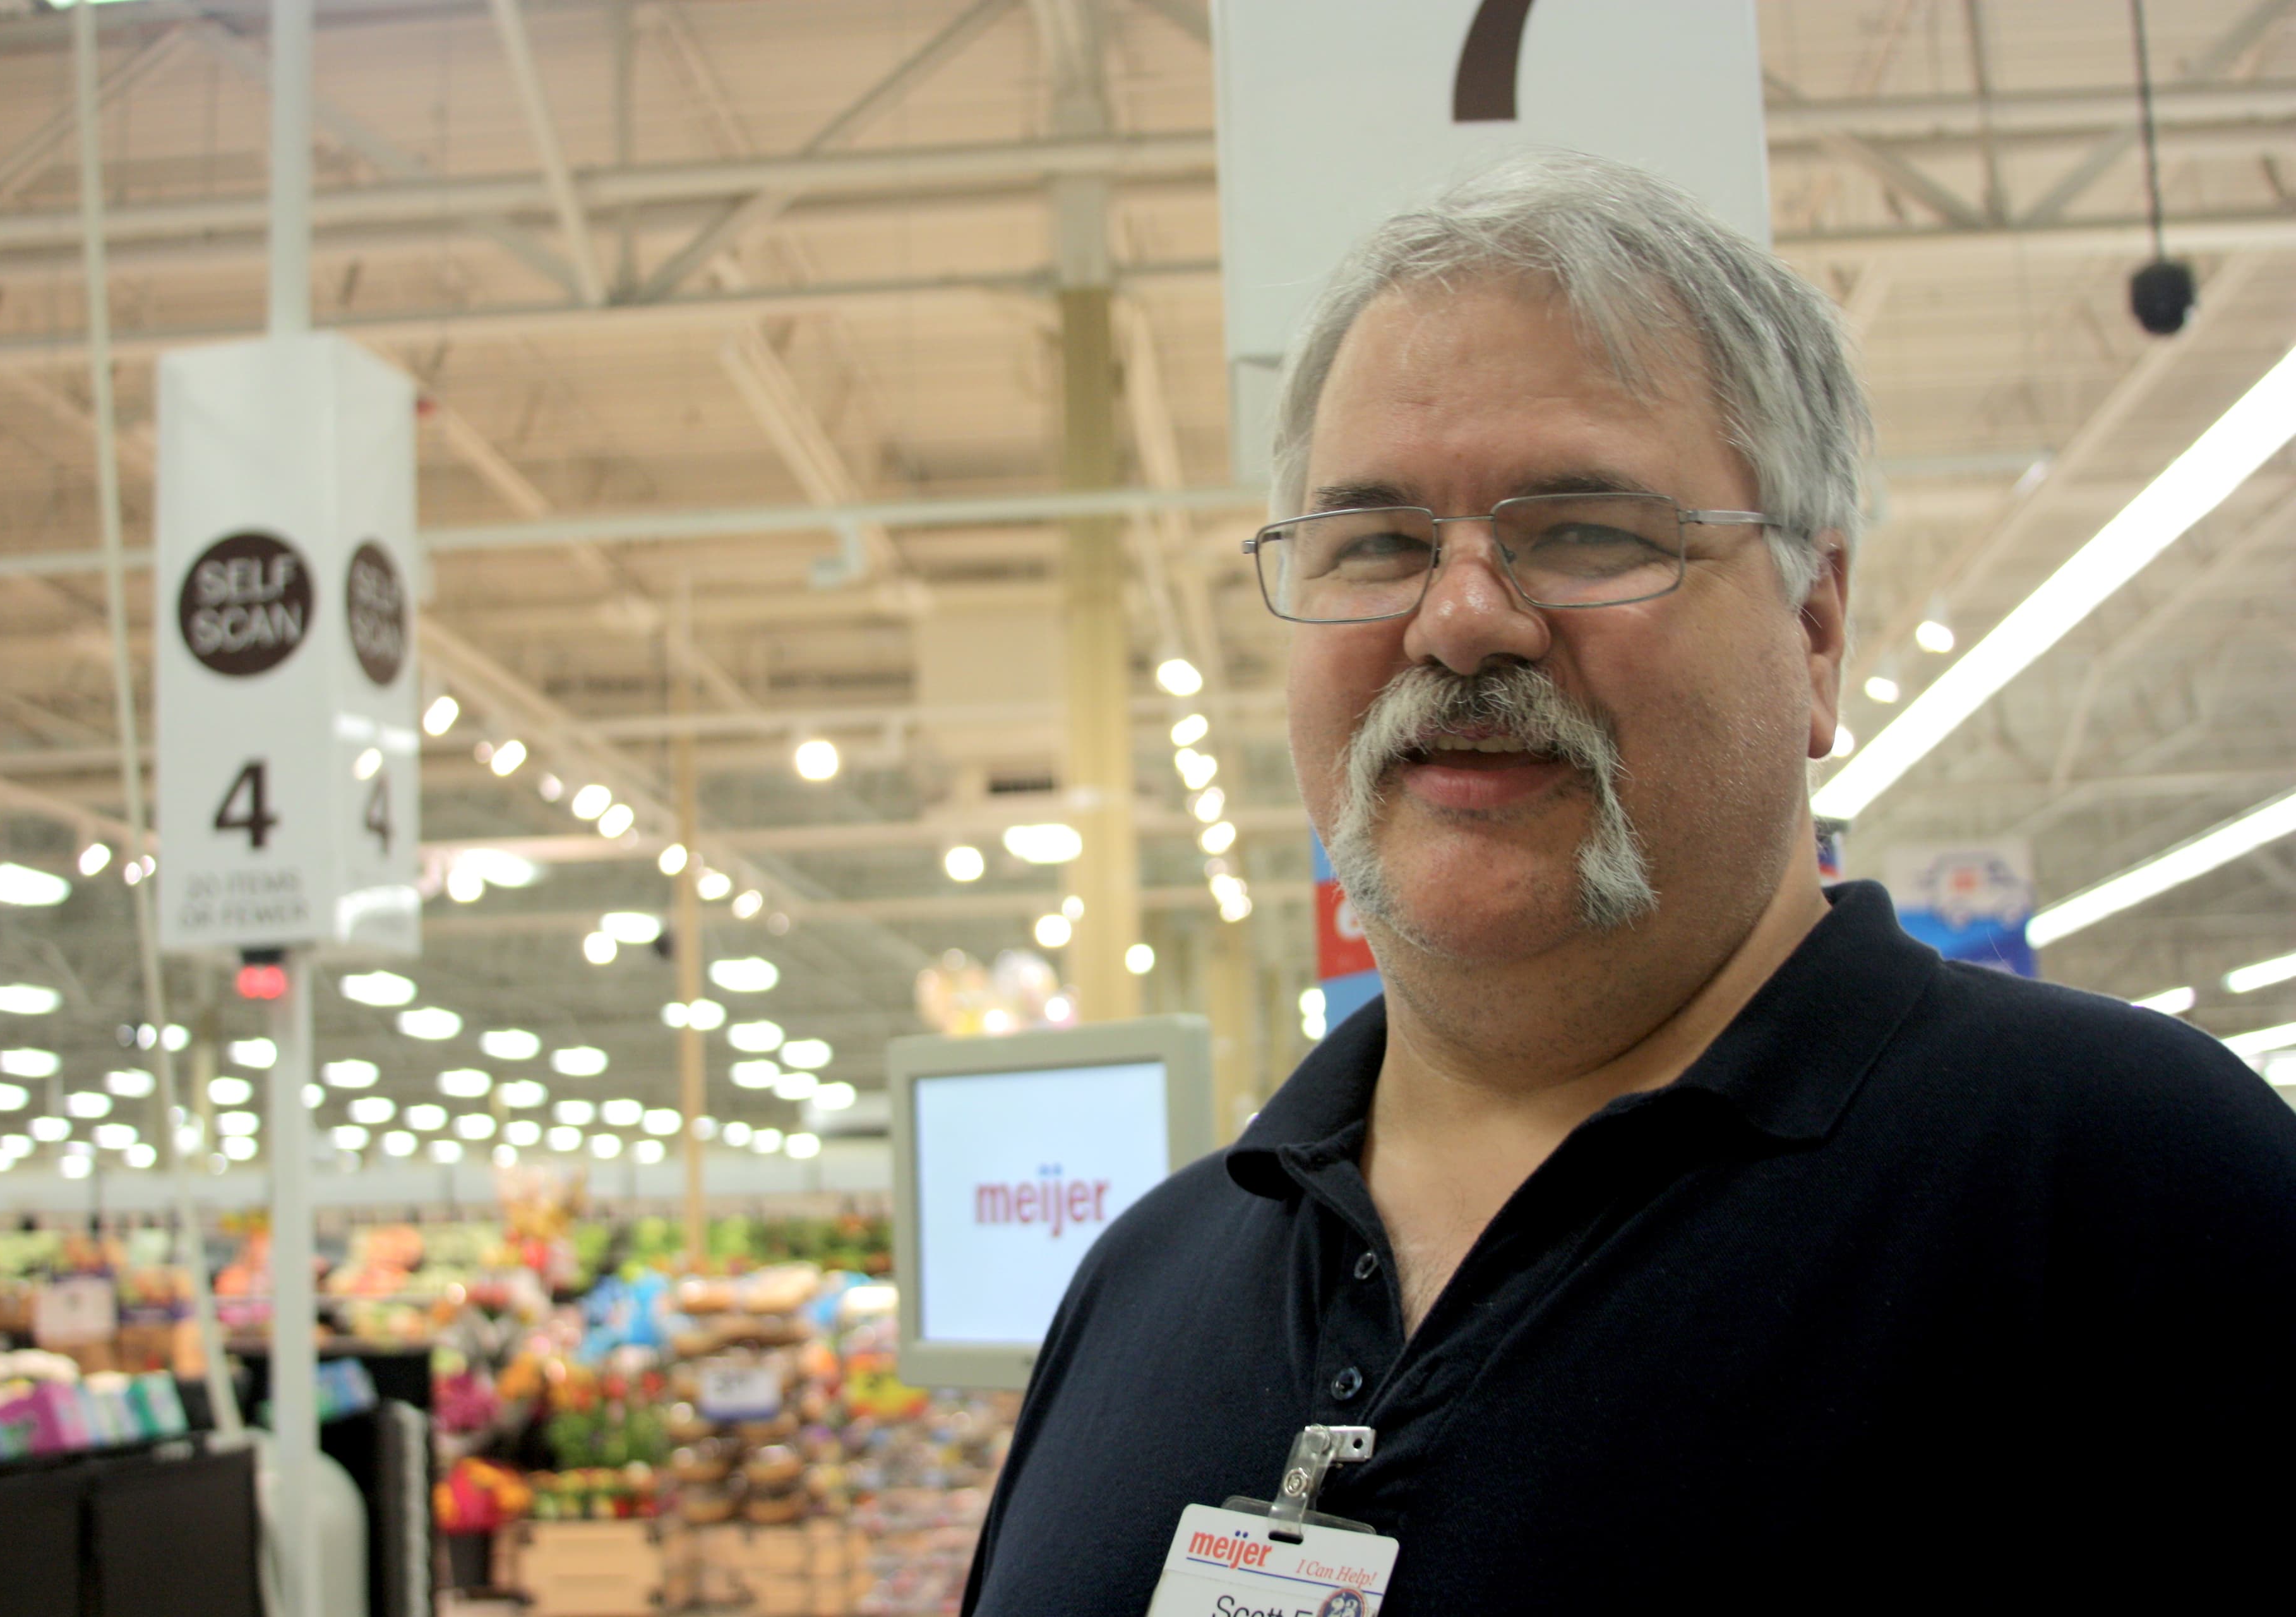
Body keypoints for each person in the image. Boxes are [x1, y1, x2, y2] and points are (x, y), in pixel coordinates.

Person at [960, 151, 2296, 1612]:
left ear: (1817, 626)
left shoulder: (2141, 1190)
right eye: (1376, 542)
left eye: (1586, 528)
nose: (1461, 621)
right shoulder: (1146, 1279)